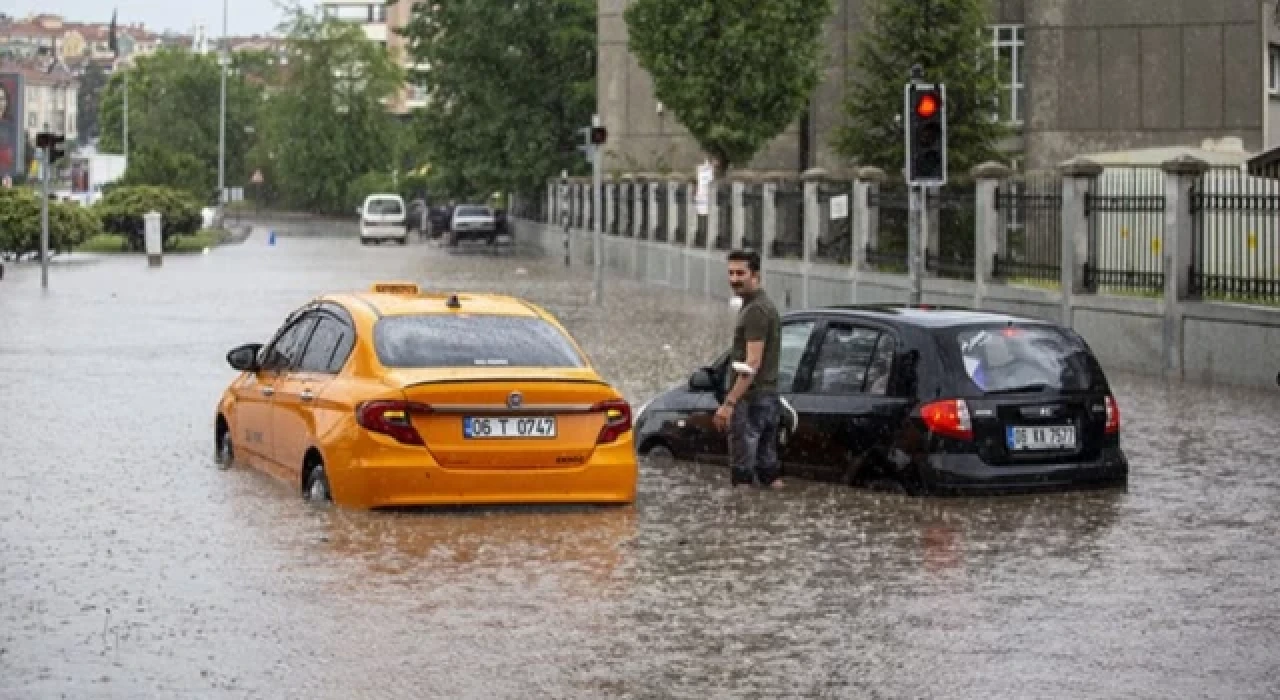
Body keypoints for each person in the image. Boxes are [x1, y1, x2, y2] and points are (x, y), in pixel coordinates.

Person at [714, 249, 784, 489]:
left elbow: (752, 363)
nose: (734, 279)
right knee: (769, 471)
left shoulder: (756, 311)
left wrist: (730, 403)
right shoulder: (763, 306)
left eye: (740, 273)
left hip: (750, 400)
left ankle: (742, 522)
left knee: (742, 477)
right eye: (731, 273)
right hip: (767, 397)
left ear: (756, 275)